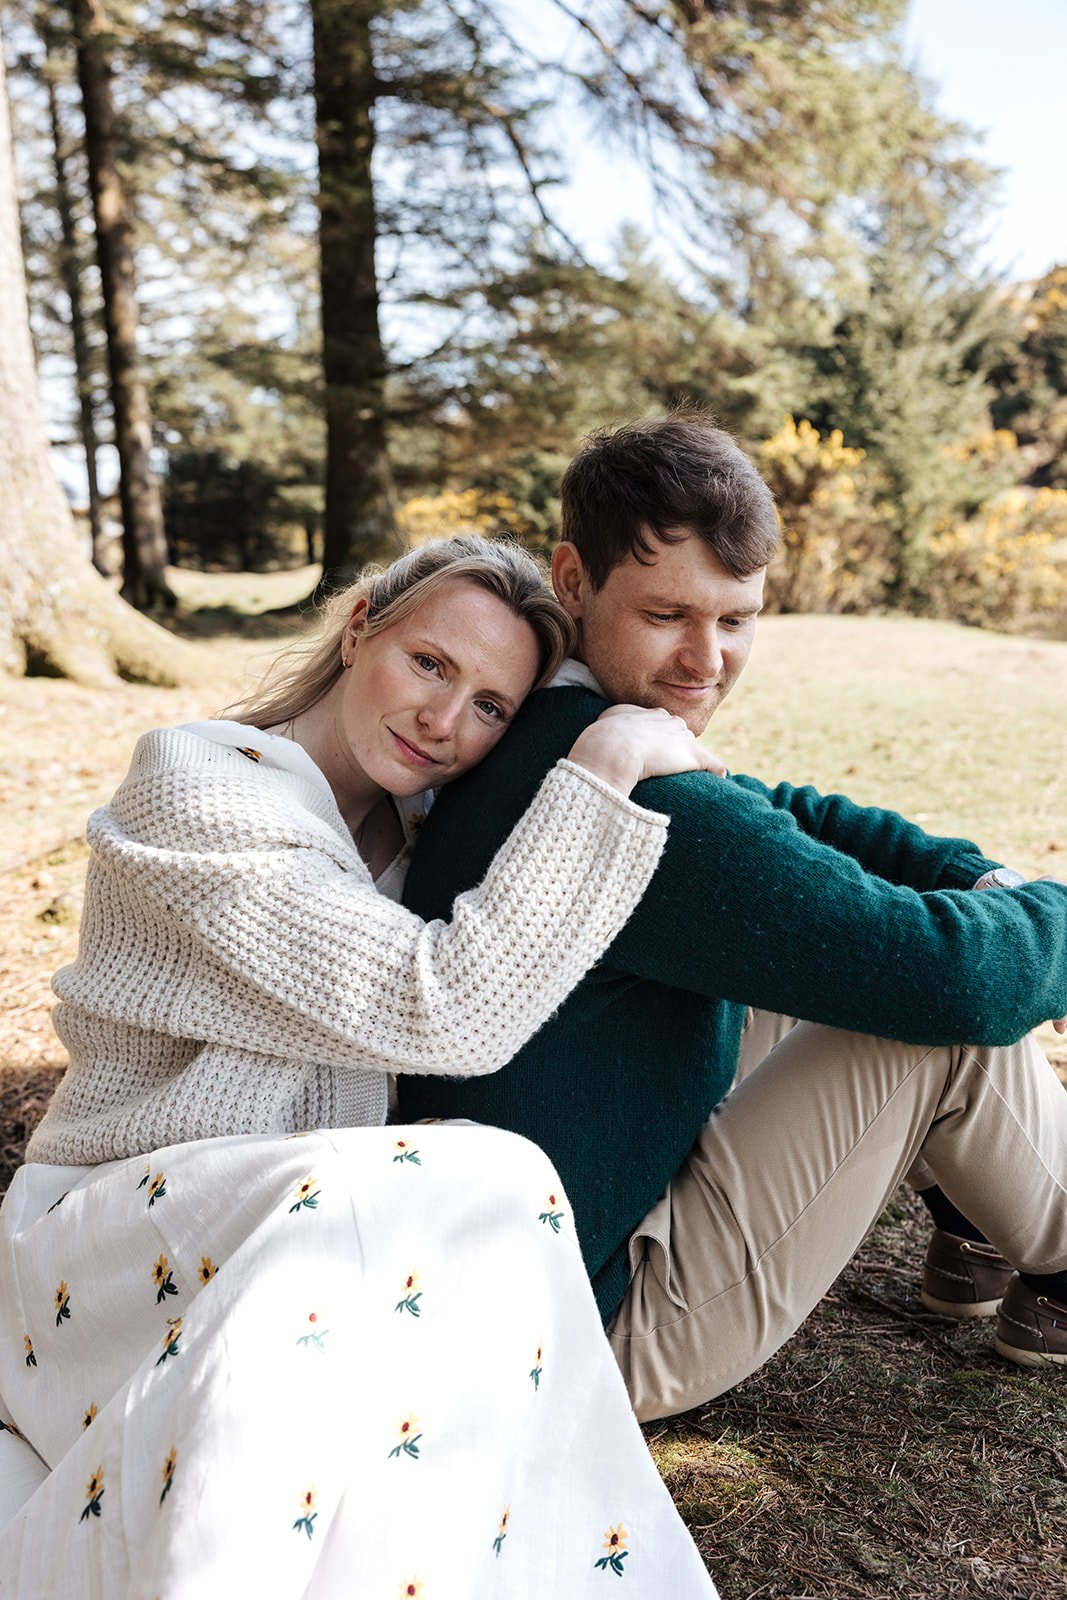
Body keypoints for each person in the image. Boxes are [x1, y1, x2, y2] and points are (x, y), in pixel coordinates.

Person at [0, 535, 721, 1597]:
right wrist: (602, 767)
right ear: (357, 627)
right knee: (494, 1178)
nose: (444, 721)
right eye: (429, 663)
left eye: (488, 706)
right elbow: (440, 1005)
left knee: (456, 1249)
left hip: (295, 1235)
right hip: (112, 1233)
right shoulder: (194, 787)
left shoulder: (414, 825)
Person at [398, 415, 1067, 1422]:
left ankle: (975, 1219)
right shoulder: (640, 801)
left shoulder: (543, 722)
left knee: (890, 942)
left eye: (735, 620)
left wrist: (972, 872)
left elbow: (774, 812)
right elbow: (956, 979)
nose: (703, 659)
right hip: (590, 1329)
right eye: (667, 613)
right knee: (935, 1008)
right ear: (571, 582)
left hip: (510, 1266)